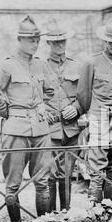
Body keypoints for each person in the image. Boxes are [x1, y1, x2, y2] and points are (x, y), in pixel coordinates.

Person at [0, 15, 54, 222]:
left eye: (37, 40)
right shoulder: (6, 66)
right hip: (16, 131)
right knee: (13, 185)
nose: (35, 43)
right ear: (19, 40)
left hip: (41, 130)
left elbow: (50, 90)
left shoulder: (41, 65)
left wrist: (42, 105)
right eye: (30, 39)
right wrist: (12, 113)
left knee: (43, 182)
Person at [76, 17, 112, 202]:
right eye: (111, 42)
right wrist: (91, 116)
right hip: (99, 119)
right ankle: (94, 215)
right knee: (96, 168)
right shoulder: (91, 62)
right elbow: (83, 94)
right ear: (104, 40)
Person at [44, 18, 81, 211]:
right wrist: (42, 109)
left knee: (67, 175)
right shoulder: (40, 66)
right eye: (55, 42)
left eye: (63, 41)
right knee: (50, 175)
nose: (60, 45)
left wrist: (77, 108)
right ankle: (49, 221)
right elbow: (33, 96)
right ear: (48, 43)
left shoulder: (77, 66)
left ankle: (66, 218)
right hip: (50, 130)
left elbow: (85, 96)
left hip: (71, 130)